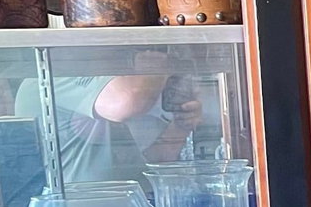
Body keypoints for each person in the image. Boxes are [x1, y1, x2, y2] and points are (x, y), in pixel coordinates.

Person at [14, 48, 203, 183]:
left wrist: (180, 127)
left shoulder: (100, 96)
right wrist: (159, 66)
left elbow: (152, 162)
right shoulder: (46, 79)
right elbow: (128, 99)